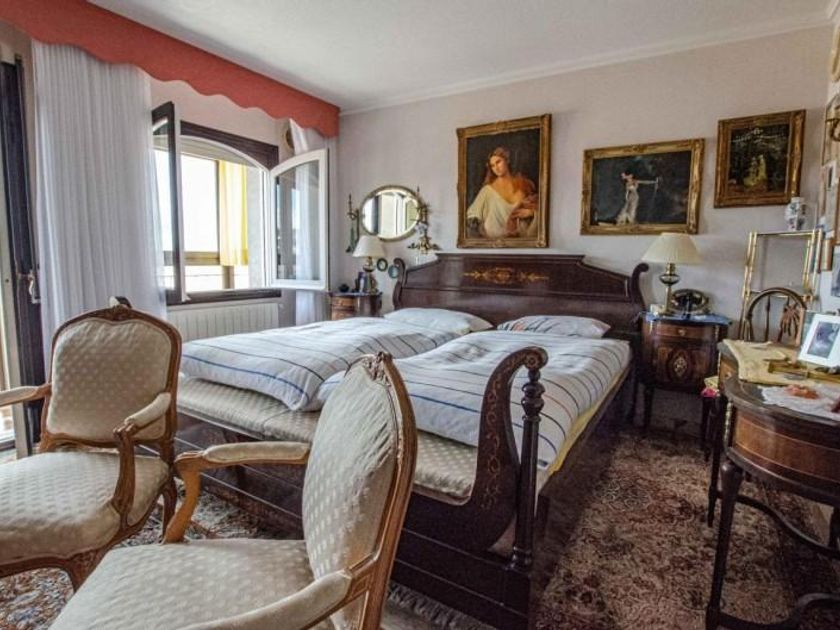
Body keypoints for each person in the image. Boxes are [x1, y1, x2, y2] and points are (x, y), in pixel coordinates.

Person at [466, 147, 537, 239]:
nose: (496, 168)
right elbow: (471, 217)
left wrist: (531, 213)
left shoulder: (524, 185)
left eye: (498, 162)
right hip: (494, 241)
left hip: (521, 241)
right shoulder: (487, 191)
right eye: (492, 165)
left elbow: (538, 209)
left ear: (507, 160)